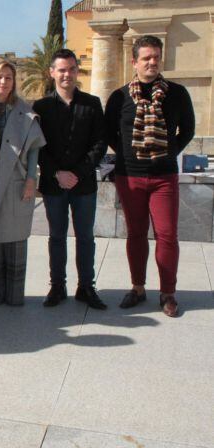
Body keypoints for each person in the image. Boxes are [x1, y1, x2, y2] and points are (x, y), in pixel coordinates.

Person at [105, 35, 195, 317]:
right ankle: (138, 287)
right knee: (135, 234)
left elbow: (188, 130)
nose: (152, 62)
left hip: (163, 177)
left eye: (156, 56)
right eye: (146, 57)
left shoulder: (177, 93)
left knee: (167, 235)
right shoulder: (119, 97)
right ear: (134, 62)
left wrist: (168, 152)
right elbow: (109, 132)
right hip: (129, 177)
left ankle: (168, 292)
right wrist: (127, 156)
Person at [33, 49, 108, 309]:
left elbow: (100, 143)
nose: (67, 74)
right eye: (62, 70)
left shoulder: (92, 103)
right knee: (56, 236)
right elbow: (38, 146)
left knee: (86, 237)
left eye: (72, 69)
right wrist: (57, 173)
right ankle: (57, 286)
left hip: (83, 184)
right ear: (52, 72)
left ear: (77, 71)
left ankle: (86, 287)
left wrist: (77, 173)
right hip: (54, 185)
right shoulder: (40, 107)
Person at [0, 59, 45, 306]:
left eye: (8, 78)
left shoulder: (25, 111)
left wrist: (31, 180)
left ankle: (14, 297)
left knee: (15, 239)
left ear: (14, 82)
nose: (3, 82)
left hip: (16, 182)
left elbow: (35, 149)